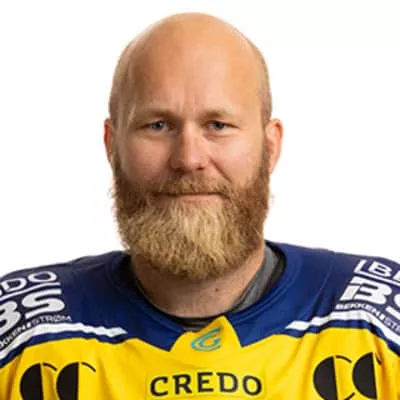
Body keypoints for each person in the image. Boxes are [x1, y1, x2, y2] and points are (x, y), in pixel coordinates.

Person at [0, 12, 399, 399]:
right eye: (158, 125)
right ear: (112, 145)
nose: (189, 159)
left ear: (270, 146)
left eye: (218, 125)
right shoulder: (24, 337)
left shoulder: (377, 327)